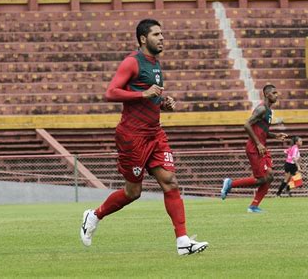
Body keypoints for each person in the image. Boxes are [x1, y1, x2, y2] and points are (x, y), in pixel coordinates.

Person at [80, 19, 208, 255]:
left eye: (162, 34)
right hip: (132, 136)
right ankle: (94, 215)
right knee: (133, 192)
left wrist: (163, 103)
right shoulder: (132, 62)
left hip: (155, 133)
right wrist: (143, 94)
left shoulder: (156, 65)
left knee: (170, 181)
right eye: (157, 34)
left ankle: (182, 241)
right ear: (142, 39)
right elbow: (110, 93)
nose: (162, 38)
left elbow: (151, 97)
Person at [220, 84, 287, 213]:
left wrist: (275, 135)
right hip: (254, 147)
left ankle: (254, 206)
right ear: (267, 94)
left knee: (270, 176)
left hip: (262, 147)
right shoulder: (261, 109)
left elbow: (262, 131)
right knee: (261, 179)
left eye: (277, 92)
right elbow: (246, 125)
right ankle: (230, 184)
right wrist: (258, 144)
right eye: (274, 93)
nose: (277, 95)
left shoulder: (268, 111)